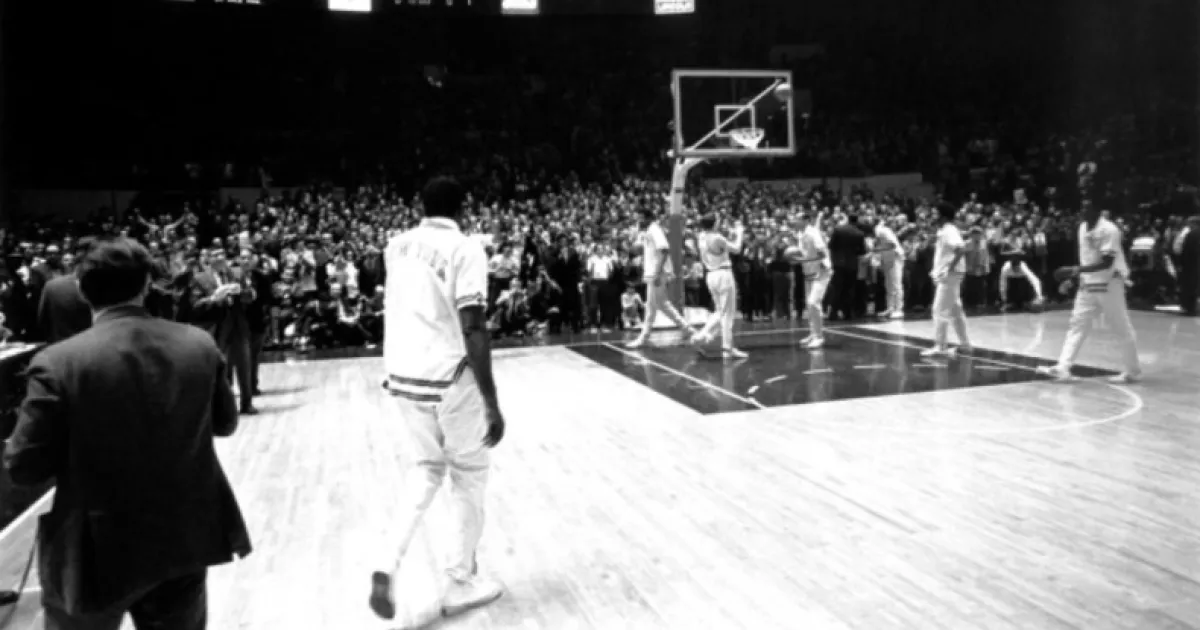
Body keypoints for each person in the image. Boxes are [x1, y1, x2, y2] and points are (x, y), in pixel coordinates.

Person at [3, 237, 251, 630]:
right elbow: (226, 423)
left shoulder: (57, 362)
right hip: (183, 535)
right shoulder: (198, 344)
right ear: (146, 285)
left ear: (82, 288)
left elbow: (23, 467)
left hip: (94, 548)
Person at [370, 177, 507, 622]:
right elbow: (473, 325)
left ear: (420, 206)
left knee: (426, 469)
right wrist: (491, 399)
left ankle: (386, 563)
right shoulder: (466, 248)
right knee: (470, 475)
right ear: (462, 208)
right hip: (448, 375)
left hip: (402, 375)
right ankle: (459, 581)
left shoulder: (395, 246)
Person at [1037, 201, 1141, 382]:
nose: (1083, 210)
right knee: (1077, 325)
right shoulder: (1082, 228)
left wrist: (1074, 270)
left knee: (1121, 328)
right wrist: (1074, 278)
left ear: (1098, 209)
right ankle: (1063, 367)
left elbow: (1107, 262)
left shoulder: (1110, 230)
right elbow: (1086, 259)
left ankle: (1133, 372)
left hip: (1109, 284)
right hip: (1088, 285)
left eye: (1087, 207)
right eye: (1082, 207)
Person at [189, 248, 258, 414]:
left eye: (222, 255)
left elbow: (251, 296)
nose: (220, 258)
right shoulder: (200, 278)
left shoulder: (237, 274)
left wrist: (241, 291)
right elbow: (195, 305)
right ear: (209, 259)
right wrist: (214, 298)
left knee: (244, 365)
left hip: (238, 327)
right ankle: (225, 407)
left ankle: (247, 403)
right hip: (217, 329)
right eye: (215, 255)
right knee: (220, 369)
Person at [692, 213, 747, 358]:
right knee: (728, 313)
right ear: (714, 223)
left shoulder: (701, 236)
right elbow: (736, 249)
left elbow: (721, 246)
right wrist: (740, 232)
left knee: (720, 311)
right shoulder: (717, 237)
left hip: (711, 275)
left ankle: (702, 337)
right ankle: (726, 348)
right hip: (723, 275)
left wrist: (731, 234)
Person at [923, 203, 973, 357]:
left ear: (943, 216)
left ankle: (940, 346)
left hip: (950, 276)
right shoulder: (944, 230)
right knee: (955, 311)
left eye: (935, 213)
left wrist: (948, 268)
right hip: (952, 275)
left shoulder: (949, 231)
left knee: (939, 310)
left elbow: (961, 249)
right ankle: (965, 344)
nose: (933, 216)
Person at [792, 211, 833, 349]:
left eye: (797, 219)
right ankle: (813, 333)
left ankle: (819, 337)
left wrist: (803, 260)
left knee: (813, 302)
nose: (795, 221)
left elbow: (822, 254)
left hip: (821, 271)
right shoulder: (800, 234)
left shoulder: (813, 233)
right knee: (809, 305)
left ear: (806, 220)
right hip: (808, 271)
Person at [868, 217, 905, 319]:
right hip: (888, 257)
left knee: (896, 284)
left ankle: (899, 309)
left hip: (895, 257)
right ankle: (890, 308)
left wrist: (876, 249)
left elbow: (892, 245)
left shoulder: (881, 230)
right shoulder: (881, 230)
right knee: (888, 284)